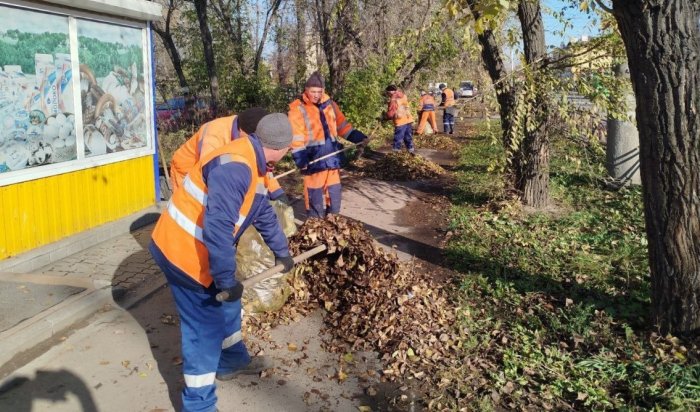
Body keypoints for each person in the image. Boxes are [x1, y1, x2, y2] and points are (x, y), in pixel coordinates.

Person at [149, 113, 296, 412]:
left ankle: (232, 361)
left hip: (201, 250)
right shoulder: (236, 168)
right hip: (182, 254)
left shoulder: (254, 161)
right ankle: (199, 406)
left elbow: (262, 211)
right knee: (203, 330)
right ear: (282, 148)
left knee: (229, 304)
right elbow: (217, 228)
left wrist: (282, 251)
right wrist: (225, 278)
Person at [288, 71, 368, 218]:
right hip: (313, 159)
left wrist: (358, 137)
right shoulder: (298, 109)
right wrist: (300, 158)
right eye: (313, 91)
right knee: (314, 192)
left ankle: (333, 219)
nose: (316, 95)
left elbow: (342, 126)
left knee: (334, 190)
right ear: (306, 90)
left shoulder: (330, 104)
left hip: (332, 156)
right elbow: (296, 137)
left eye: (319, 91)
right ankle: (315, 222)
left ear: (323, 91)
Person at [169, 107, 286, 201]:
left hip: (211, 168)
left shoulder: (246, 132)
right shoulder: (214, 134)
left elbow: (261, 168)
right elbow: (210, 173)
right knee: (192, 207)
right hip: (186, 170)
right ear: (241, 130)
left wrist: (276, 192)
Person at [384, 84, 415, 153]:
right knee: (408, 137)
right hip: (408, 118)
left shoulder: (393, 100)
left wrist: (385, 117)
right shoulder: (403, 96)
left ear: (390, 92)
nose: (388, 95)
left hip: (400, 121)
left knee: (398, 137)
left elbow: (391, 114)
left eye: (388, 93)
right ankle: (411, 151)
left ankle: (396, 152)